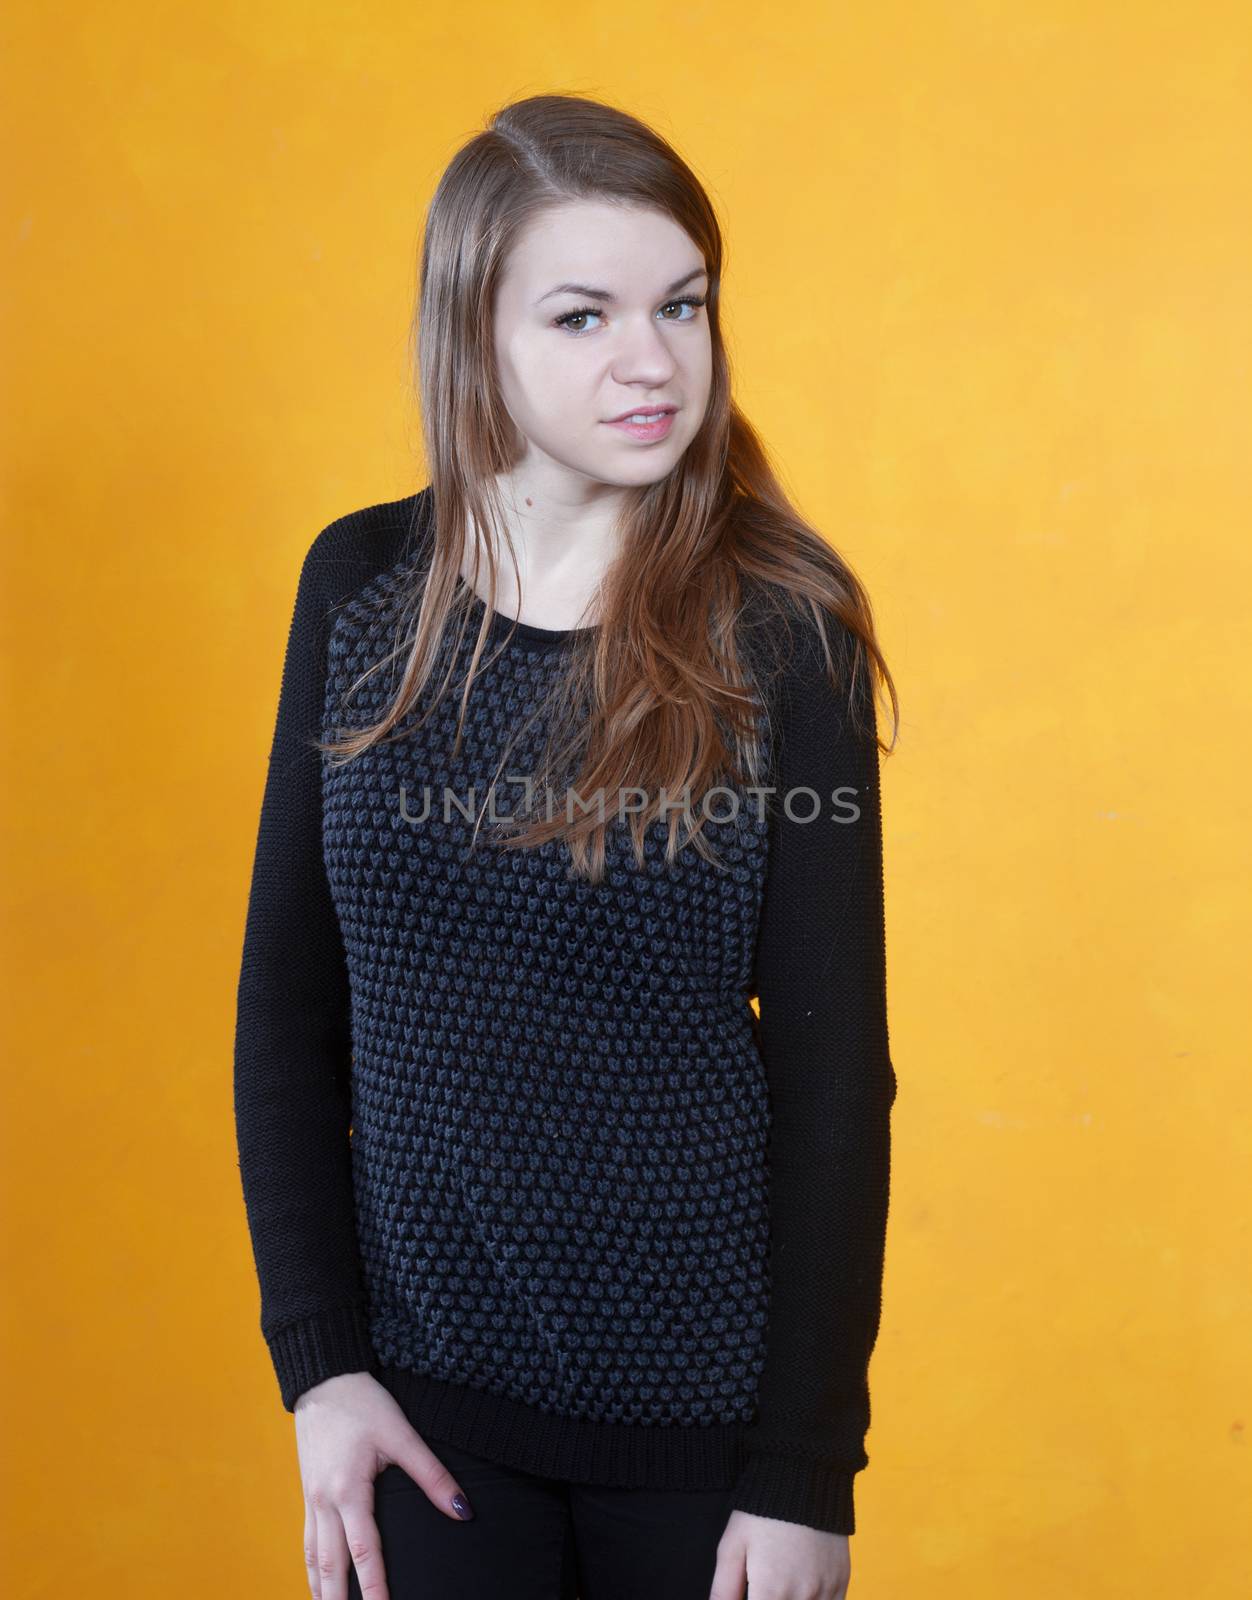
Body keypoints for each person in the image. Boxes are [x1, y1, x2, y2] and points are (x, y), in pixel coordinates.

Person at [233, 91, 899, 1600]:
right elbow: (289, 1013)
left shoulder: (783, 633)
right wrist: (322, 1371)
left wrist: (807, 1472)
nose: (652, 360)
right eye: (584, 315)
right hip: (423, 1429)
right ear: (476, 338)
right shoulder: (363, 590)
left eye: (682, 304)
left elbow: (835, 1073)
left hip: (707, 1452)